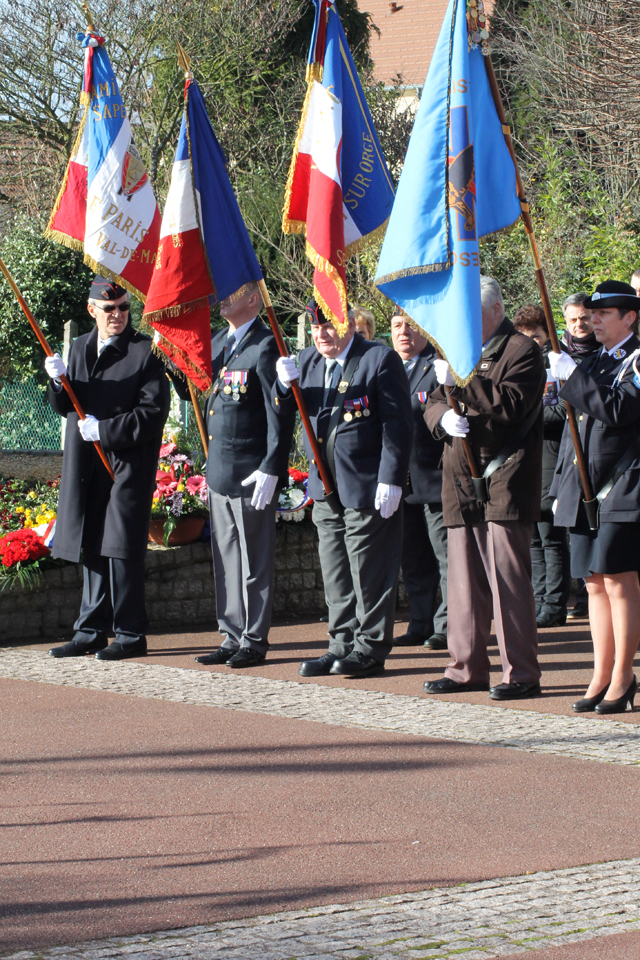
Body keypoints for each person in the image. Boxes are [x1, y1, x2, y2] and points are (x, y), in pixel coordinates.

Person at [274, 298, 413, 678]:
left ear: (349, 324)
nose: (321, 334)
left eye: (329, 325)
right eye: (315, 327)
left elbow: (398, 425)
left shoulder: (378, 359)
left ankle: (369, 648)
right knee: (335, 572)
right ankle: (340, 644)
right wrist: (282, 387)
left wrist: (391, 477)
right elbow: (284, 411)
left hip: (366, 485)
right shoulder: (308, 360)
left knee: (369, 572)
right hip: (325, 488)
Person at [423, 276, 546, 700]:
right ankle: (465, 668)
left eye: (470, 313)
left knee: (507, 581)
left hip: (505, 476)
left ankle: (520, 673)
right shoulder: (457, 348)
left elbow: (510, 404)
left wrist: (461, 383)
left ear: (496, 310)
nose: (462, 321)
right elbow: (433, 400)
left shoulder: (522, 350)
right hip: (460, 478)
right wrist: (442, 417)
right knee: (463, 583)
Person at [45, 276, 171, 660]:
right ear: (92, 310)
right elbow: (66, 405)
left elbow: (152, 413)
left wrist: (105, 430)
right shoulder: (79, 348)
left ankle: (130, 633)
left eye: (124, 308)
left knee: (121, 547)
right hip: (88, 463)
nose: (118, 315)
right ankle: (91, 630)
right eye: (109, 309)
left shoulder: (146, 352)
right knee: (92, 544)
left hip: (126, 464)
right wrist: (57, 382)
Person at [181, 282, 295, 668]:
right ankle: (231, 635)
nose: (222, 297)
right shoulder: (217, 341)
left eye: (233, 291)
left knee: (253, 561)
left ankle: (254, 639)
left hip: (250, 472)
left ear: (253, 299)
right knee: (226, 558)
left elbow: (280, 412)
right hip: (219, 470)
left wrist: (272, 467)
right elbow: (195, 389)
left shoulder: (266, 344)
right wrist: (172, 358)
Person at [549, 279, 640, 714]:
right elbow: (575, 433)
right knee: (593, 583)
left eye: (604, 313)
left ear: (630, 317)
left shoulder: (635, 360)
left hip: (622, 487)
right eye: (593, 312)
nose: (594, 319)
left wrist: (574, 378)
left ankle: (623, 674)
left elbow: (620, 409)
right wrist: (560, 488)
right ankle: (601, 673)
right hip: (584, 489)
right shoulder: (595, 361)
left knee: (619, 581)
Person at [390, 308, 448, 649]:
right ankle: (420, 622)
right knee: (413, 560)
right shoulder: (387, 367)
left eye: (411, 326)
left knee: (446, 559)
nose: (404, 332)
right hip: (401, 482)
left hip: (436, 479)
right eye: (397, 326)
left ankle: (447, 625)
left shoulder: (438, 366)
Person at [513, 304, 570, 629]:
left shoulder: (557, 363)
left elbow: (563, 410)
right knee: (533, 539)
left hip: (551, 455)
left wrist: (526, 414)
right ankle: (538, 600)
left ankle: (555, 604)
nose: (530, 342)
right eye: (525, 336)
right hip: (525, 459)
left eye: (535, 336)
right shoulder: (518, 364)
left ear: (547, 334)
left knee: (551, 536)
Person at [560, 293, 599, 620]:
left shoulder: (607, 356)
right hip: (571, 464)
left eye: (584, 317)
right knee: (582, 553)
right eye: (573, 319)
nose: (580, 324)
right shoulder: (556, 356)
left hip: (604, 468)